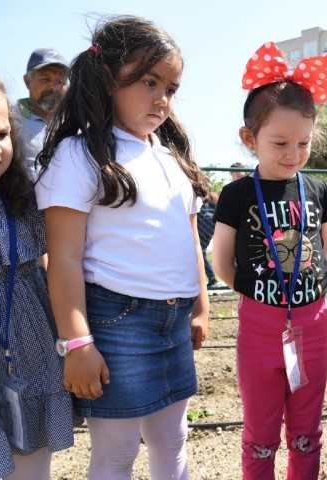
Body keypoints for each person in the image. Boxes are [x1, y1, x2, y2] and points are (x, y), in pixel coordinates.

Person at [34, 16, 210, 479]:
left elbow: (190, 238)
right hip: (117, 324)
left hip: (173, 321)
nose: (162, 99)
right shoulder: (80, 154)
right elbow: (64, 258)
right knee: (116, 453)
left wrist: (201, 305)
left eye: (171, 88)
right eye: (150, 82)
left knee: (173, 440)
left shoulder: (171, 159)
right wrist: (77, 343)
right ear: (109, 76)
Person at [211, 41, 327, 480]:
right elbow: (221, 260)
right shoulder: (238, 194)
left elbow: (324, 247)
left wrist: (297, 294)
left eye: (303, 142)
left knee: (307, 428)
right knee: (260, 431)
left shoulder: (319, 191)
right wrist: (259, 294)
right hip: (260, 326)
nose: (293, 153)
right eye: (280, 142)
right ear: (250, 140)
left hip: (313, 324)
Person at [0, 29, 73, 479]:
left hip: (30, 356)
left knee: (32, 470)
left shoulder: (25, 206)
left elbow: (50, 268)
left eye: (3, 133)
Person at [12, 47, 69, 181]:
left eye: (60, 81)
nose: (53, 87)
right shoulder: (9, 120)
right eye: (45, 79)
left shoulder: (75, 123)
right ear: (27, 81)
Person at [198, 190, 220, 288]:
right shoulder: (211, 197)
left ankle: (211, 278)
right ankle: (211, 278)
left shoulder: (201, 197)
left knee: (201, 252)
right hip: (210, 226)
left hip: (203, 226)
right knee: (201, 252)